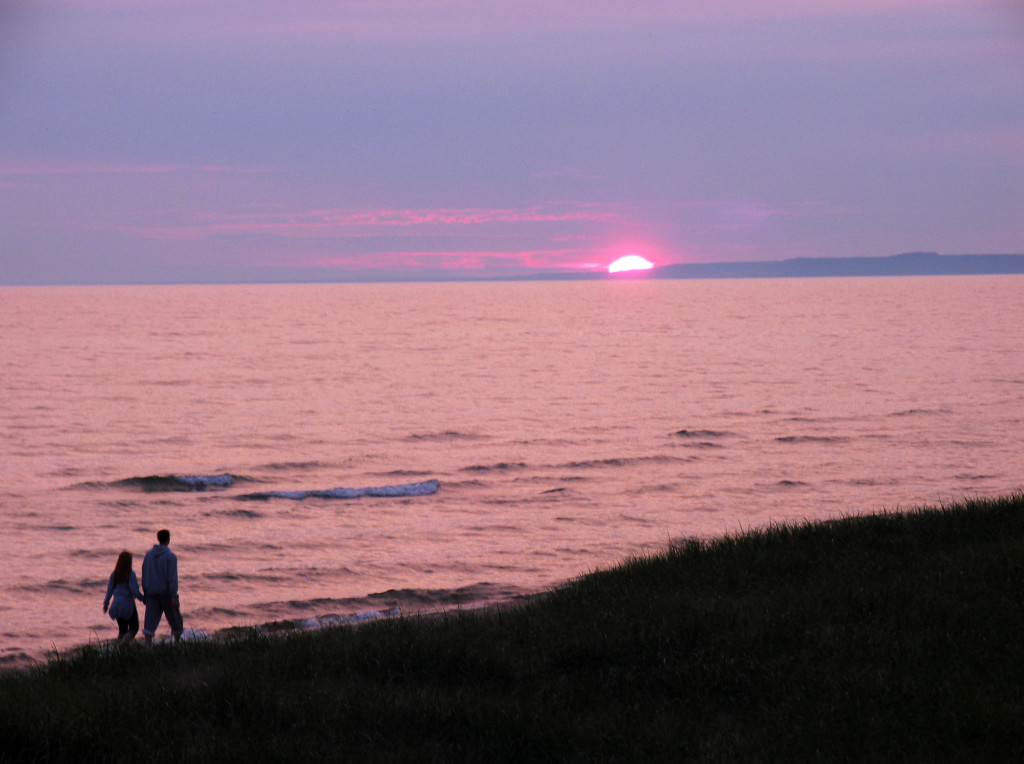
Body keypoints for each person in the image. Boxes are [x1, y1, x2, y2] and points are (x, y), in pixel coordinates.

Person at [141, 528, 183, 645]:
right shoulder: (170, 556)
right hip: (166, 592)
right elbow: (172, 578)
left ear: (158, 539)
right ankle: (177, 643)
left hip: (151, 591)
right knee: (175, 619)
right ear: (168, 539)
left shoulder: (148, 555)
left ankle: (148, 645)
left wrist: (145, 591)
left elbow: (144, 574)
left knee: (150, 619)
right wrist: (174, 595)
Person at [102, 550, 145, 648]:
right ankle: (122, 645)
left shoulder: (114, 575)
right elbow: (134, 590)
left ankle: (121, 651)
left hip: (116, 604)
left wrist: (105, 604)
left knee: (122, 629)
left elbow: (109, 591)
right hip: (127, 604)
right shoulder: (130, 574)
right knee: (134, 627)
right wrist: (143, 599)